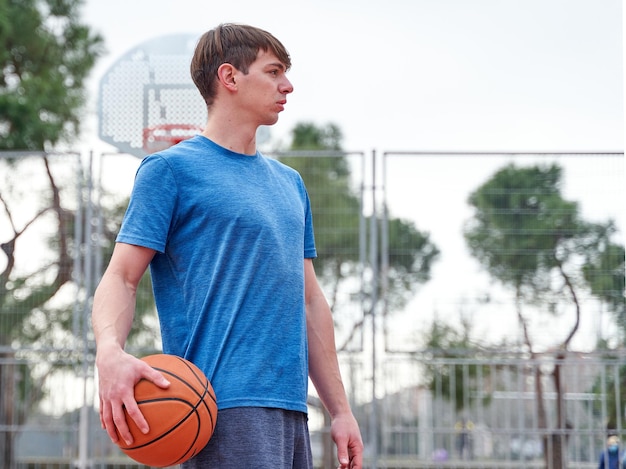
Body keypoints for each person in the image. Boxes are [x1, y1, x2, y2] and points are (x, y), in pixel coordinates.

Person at [92, 23, 363, 469]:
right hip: (218, 406)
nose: (287, 85)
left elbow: (311, 301)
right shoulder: (169, 171)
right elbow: (121, 277)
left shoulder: (290, 184)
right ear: (230, 77)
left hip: (291, 409)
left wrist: (341, 410)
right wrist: (109, 352)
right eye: (274, 71)